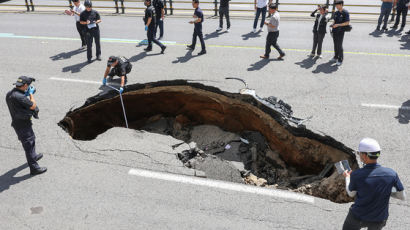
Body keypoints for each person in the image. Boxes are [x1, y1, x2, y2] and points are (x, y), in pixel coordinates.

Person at [342, 138, 406, 230]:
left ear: (364, 155)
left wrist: (347, 177)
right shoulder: (391, 174)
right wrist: (384, 190)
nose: (359, 155)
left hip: (357, 217)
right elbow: (402, 196)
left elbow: (351, 193)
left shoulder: (357, 175)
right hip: (379, 219)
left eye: (359, 153)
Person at [5, 76, 47, 176]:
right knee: (29, 144)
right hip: (23, 125)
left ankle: (33, 156)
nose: (28, 88)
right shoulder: (21, 97)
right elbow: (33, 105)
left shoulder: (10, 94)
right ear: (24, 85)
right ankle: (34, 168)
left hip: (18, 122)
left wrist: (25, 94)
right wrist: (31, 94)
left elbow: (19, 103)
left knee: (31, 141)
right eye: (28, 86)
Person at [331, 0, 350, 66]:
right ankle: (335, 57)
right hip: (335, 30)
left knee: (339, 45)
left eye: (337, 5)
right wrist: (332, 24)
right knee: (335, 44)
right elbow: (334, 20)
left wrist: (338, 25)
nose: (336, 6)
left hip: (341, 31)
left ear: (341, 4)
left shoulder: (345, 12)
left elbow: (347, 22)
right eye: (336, 5)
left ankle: (340, 59)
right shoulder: (336, 12)